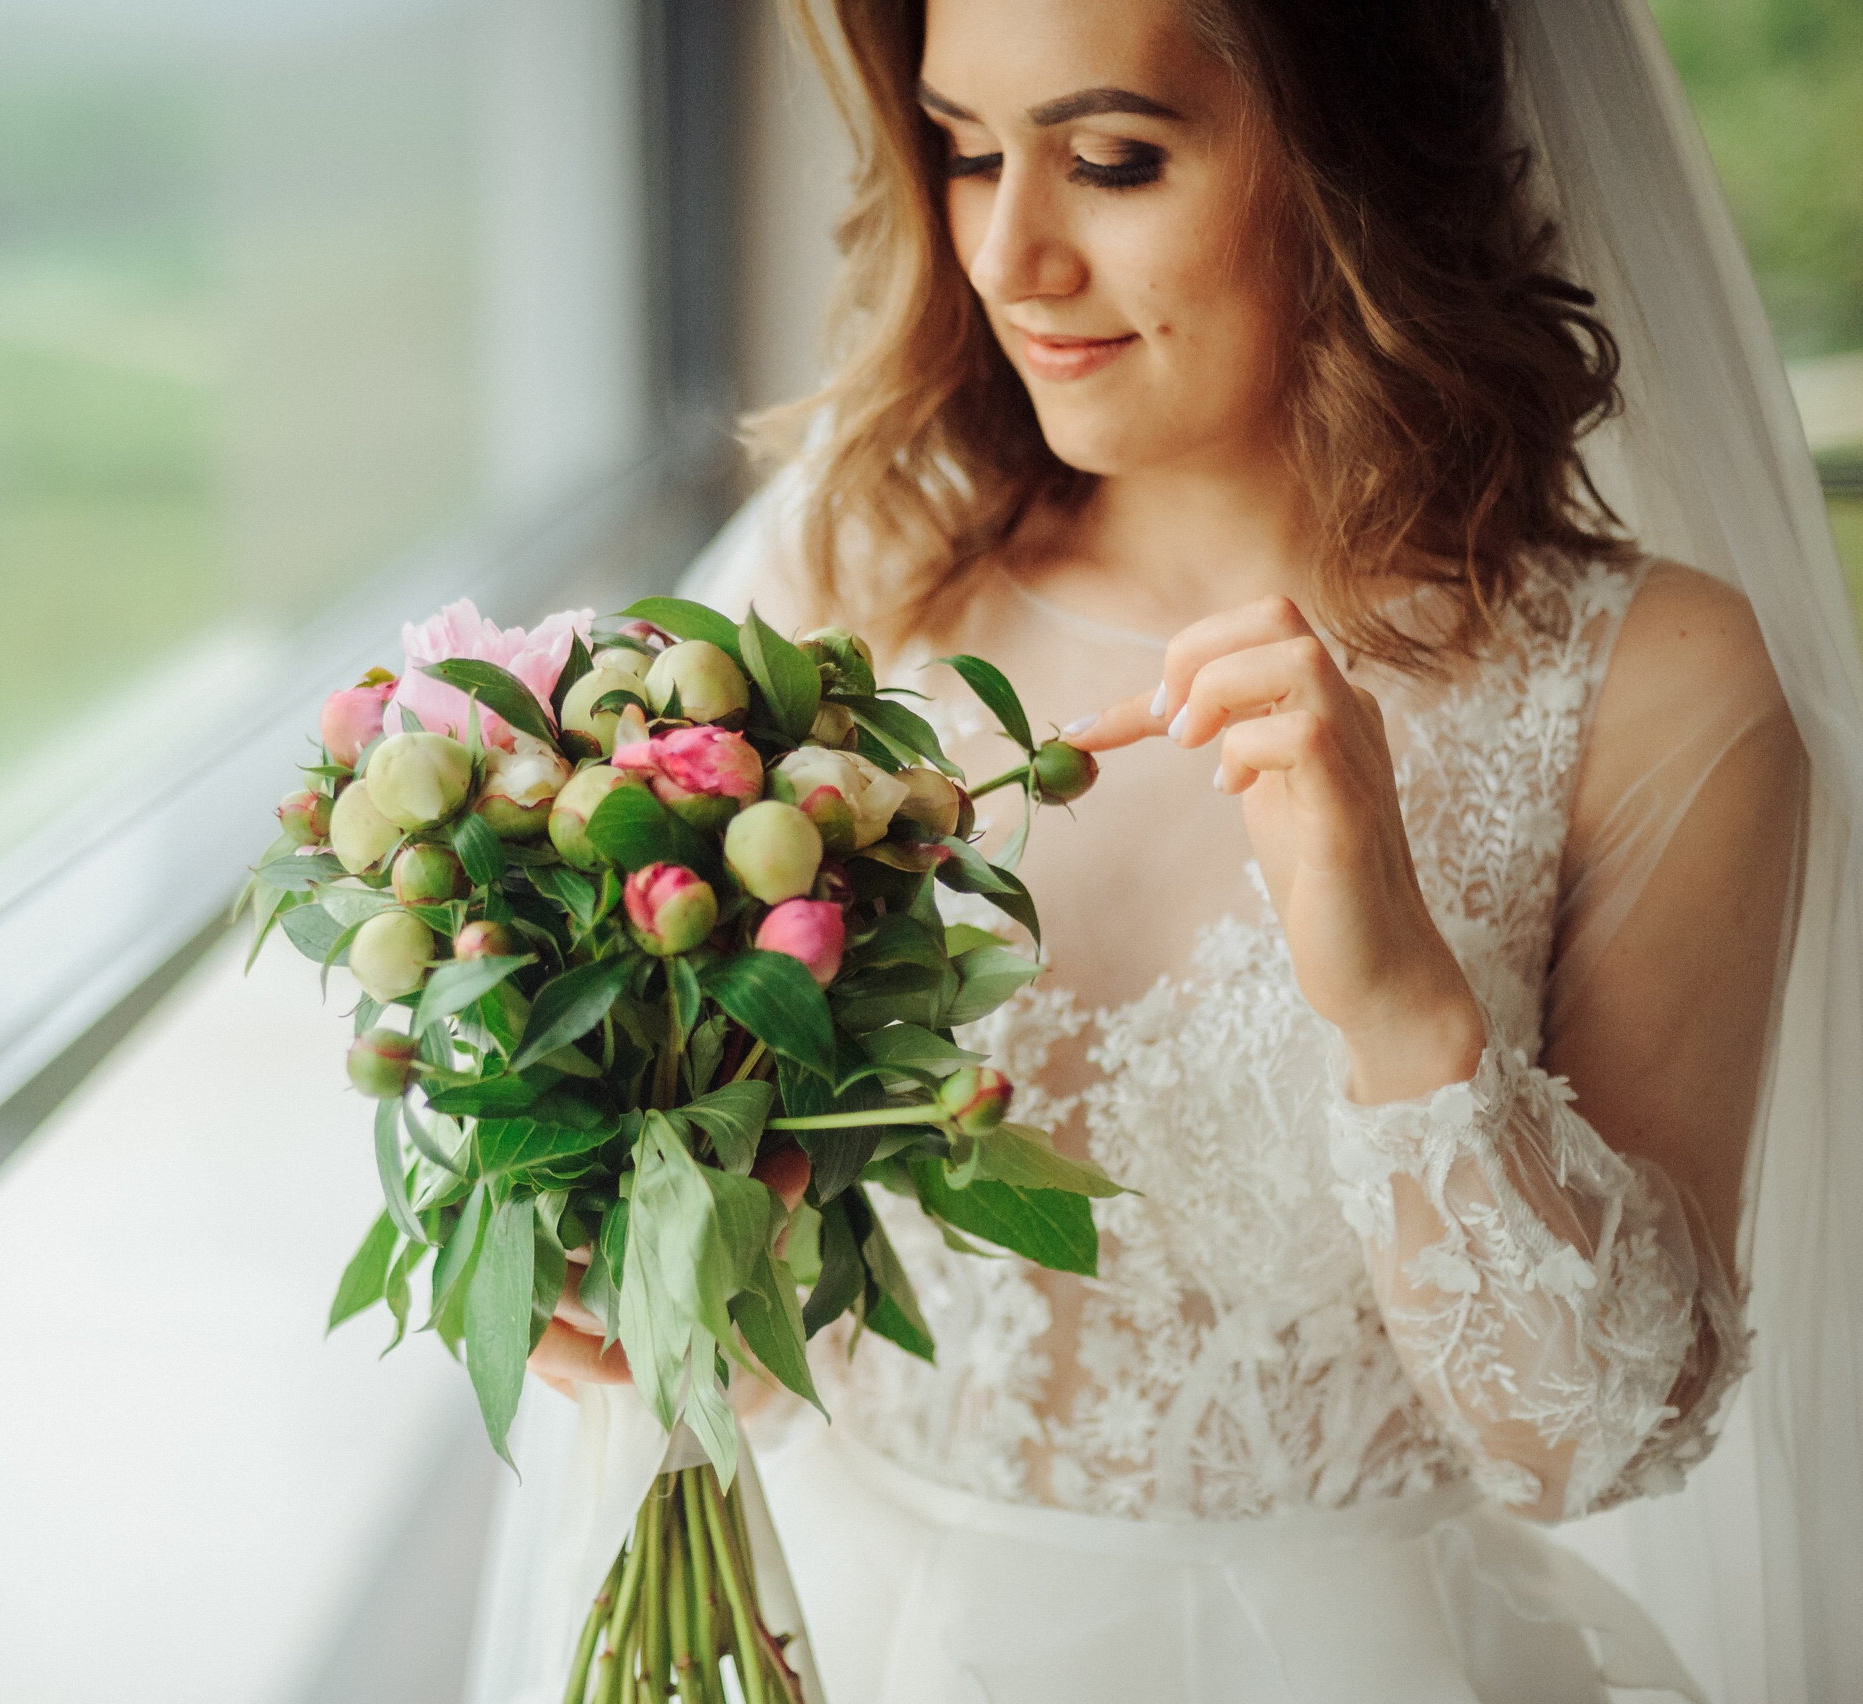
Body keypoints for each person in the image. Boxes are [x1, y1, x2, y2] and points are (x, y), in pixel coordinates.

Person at [471, 0, 1863, 1700]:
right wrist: (655, 1296)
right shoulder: (847, 585)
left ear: (1361, 163)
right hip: (847, 1635)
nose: (1009, 253)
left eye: (1112, 161)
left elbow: (1599, 1444)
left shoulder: (1655, 691)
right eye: (969, 149)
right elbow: (787, 1342)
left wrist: (1406, 1010)